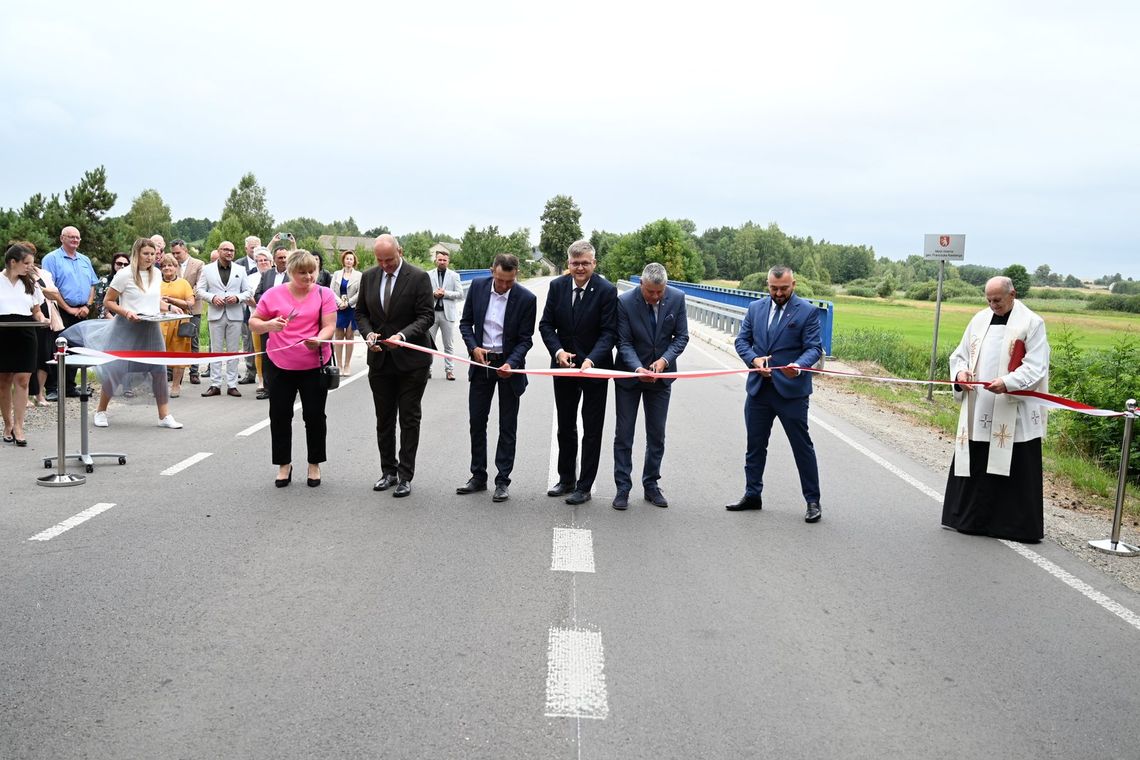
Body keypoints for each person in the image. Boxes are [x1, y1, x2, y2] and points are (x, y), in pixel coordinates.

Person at [942, 276, 1050, 543]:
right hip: (980, 407)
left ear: (1012, 294)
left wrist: (1008, 382)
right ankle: (969, 520)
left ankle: (1011, 526)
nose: (993, 305)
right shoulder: (979, 320)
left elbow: (1036, 365)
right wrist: (961, 374)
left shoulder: (1032, 323)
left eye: (998, 300)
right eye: (989, 300)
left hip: (1012, 408)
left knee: (1013, 463)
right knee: (977, 458)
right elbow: (959, 355)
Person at [728, 266, 824, 522]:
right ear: (767, 285)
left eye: (784, 288)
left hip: (791, 392)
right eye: (773, 288)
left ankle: (813, 501)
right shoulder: (755, 309)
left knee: (802, 447)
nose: (779, 293)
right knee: (755, 446)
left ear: (793, 284)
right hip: (759, 390)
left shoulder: (807, 311)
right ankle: (752, 495)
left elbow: (814, 348)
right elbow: (742, 342)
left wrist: (798, 366)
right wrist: (754, 360)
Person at [355, 234, 435, 498]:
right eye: (380, 260)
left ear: (400, 251)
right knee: (384, 418)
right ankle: (387, 471)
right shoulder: (369, 276)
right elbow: (362, 313)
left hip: (412, 361)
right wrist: (368, 334)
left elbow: (426, 316)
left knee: (409, 418)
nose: (385, 265)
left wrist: (402, 336)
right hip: (380, 359)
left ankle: (405, 475)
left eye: (389, 260)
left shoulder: (419, 277)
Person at [539, 239, 618, 505]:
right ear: (568, 264)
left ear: (594, 263)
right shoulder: (557, 286)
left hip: (594, 369)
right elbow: (546, 325)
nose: (580, 268)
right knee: (565, 426)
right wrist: (557, 352)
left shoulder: (607, 291)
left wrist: (592, 360)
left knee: (592, 428)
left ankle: (584, 486)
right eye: (575, 263)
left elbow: (609, 333)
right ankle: (566, 479)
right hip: (564, 367)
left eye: (585, 263)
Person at [250, 250, 337, 488]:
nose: (309, 277)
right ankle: (283, 465)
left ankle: (314, 464)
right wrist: (269, 325)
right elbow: (254, 323)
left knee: (315, 415)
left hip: (314, 364)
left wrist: (319, 339)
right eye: (302, 273)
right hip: (279, 364)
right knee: (279, 415)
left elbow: (330, 326)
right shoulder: (272, 294)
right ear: (290, 272)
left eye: (312, 271)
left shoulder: (324, 293)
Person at [456, 254, 537, 503]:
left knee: (507, 425)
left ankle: (502, 480)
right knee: (477, 421)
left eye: (509, 282)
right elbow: (465, 323)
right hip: (481, 363)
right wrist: (473, 348)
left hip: (509, 365)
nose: (503, 286)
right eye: (500, 280)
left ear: (516, 275)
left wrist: (511, 362)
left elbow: (526, 339)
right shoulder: (478, 288)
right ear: (493, 271)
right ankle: (478, 476)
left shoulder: (526, 298)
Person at [611, 263, 689, 510]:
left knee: (657, 435)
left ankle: (651, 485)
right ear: (641, 285)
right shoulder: (624, 302)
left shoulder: (677, 298)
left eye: (660, 292)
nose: (656, 297)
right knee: (624, 434)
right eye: (651, 292)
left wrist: (665, 360)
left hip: (661, 378)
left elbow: (682, 337)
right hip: (630, 378)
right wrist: (638, 369)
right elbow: (623, 343)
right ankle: (622, 487)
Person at [90, 238, 183, 429]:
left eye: (152, 254)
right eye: (146, 254)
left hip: (151, 327)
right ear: (136, 254)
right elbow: (109, 301)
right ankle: (101, 411)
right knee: (116, 369)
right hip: (126, 327)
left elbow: (153, 301)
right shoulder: (124, 275)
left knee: (159, 369)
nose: (150, 258)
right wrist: (126, 312)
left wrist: (170, 307)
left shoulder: (157, 274)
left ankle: (164, 416)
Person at [41, 226, 98, 400]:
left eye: (77, 238)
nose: (75, 240)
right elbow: (49, 288)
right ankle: (52, 388)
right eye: (71, 237)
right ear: (62, 238)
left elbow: (92, 284)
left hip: (82, 310)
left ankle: (70, 386)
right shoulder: (51, 259)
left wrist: (88, 305)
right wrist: (68, 308)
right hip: (61, 310)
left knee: (76, 349)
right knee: (56, 349)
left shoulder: (84, 260)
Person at [1, 243, 49, 446]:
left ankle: (20, 425)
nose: (30, 266)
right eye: (26, 263)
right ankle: (8, 423)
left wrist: (42, 319)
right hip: (2, 333)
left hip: (26, 332)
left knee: (22, 380)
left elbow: (36, 310)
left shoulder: (31, 284)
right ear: (13, 262)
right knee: (3, 380)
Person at [196, 240, 252, 397]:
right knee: (216, 350)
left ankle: (232, 384)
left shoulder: (240, 270)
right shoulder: (207, 269)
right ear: (219, 251)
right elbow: (199, 290)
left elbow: (248, 291)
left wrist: (238, 297)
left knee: (233, 351)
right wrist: (212, 298)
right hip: (216, 314)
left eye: (232, 250)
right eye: (226, 250)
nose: (229, 253)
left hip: (235, 314)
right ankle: (215, 384)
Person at [158, 254, 195, 398]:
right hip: (160, 322)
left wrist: (171, 301)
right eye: (164, 265)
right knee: (159, 354)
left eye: (171, 265)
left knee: (179, 353)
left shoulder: (183, 283)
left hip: (179, 323)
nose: (167, 268)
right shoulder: (156, 283)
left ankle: (175, 385)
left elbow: (190, 303)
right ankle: (159, 385)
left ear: (176, 267)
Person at [426, 245, 464, 381]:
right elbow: (423, 293)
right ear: (435, 260)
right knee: (429, 343)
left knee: (448, 344)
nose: (442, 262)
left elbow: (460, 294)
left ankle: (449, 370)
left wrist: (445, 293)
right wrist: (433, 294)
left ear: (448, 261)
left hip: (447, 315)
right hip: (431, 314)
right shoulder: (428, 275)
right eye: (439, 259)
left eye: (444, 260)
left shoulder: (454, 276)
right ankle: (427, 369)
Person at [171, 240, 205, 384]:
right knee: (173, 338)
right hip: (173, 308)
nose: (175, 255)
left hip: (193, 308)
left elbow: (200, 285)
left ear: (185, 250)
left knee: (193, 340)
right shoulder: (171, 264)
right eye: (173, 253)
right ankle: (170, 371)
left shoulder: (198, 264)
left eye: (178, 253)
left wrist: (186, 298)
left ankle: (194, 372)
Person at [235, 235, 263, 385]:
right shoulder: (239, 264)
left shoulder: (268, 265)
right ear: (246, 248)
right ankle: (250, 371)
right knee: (248, 343)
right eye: (252, 247)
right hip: (246, 309)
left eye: (257, 247)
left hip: (264, 313)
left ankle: (263, 375)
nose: (255, 250)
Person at [330, 250, 362, 377]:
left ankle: (347, 364)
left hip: (351, 308)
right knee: (338, 336)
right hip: (339, 308)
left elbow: (360, 293)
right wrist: (339, 303)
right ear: (343, 260)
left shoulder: (359, 275)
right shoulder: (337, 274)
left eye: (351, 259)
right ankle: (339, 364)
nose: (349, 261)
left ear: (354, 261)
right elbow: (331, 290)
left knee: (349, 336)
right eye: (347, 259)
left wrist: (348, 303)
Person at [246, 248, 273, 398]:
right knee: (260, 351)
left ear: (271, 262)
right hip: (256, 317)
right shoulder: (251, 278)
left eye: (265, 260)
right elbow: (248, 296)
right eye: (259, 260)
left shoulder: (275, 276)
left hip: (275, 318)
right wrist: (261, 304)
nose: (262, 263)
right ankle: (262, 380)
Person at [93, 253, 130, 319]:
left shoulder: (132, 282)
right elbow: (99, 303)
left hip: (127, 319)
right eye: (119, 263)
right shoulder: (104, 281)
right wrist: (111, 319)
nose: (122, 266)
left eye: (126, 264)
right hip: (108, 320)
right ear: (113, 264)